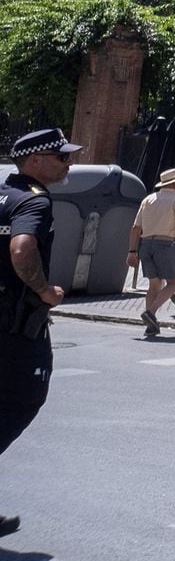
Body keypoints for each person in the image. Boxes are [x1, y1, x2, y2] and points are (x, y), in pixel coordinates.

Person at [1, 128, 83, 538]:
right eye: (61, 157)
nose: (68, 163)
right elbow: (21, 247)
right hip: (15, 327)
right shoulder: (35, 201)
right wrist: (42, 290)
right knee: (23, 399)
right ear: (35, 161)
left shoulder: (4, 194)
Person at [129, 167, 175, 338]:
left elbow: (136, 228)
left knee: (154, 284)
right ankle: (150, 312)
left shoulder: (148, 199)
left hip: (146, 245)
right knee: (174, 282)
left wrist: (132, 250)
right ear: (173, 183)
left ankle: (151, 325)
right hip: (166, 244)